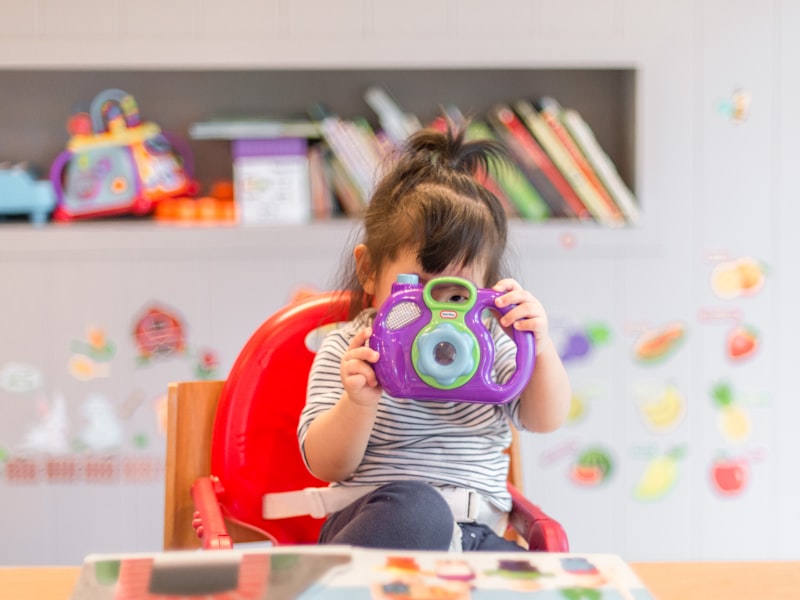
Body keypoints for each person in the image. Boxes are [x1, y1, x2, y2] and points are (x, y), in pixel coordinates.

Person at [297, 122, 571, 552]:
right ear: (370, 271)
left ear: (486, 289)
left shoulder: (490, 344)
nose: (437, 313)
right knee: (419, 510)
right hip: (382, 525)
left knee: (534, 580)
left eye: (457, 294)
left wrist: (538, 344)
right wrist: (358, 402)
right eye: (419, 287)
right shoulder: (352, 348)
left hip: (476, 534)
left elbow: (545, 419)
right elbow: (325, 463)